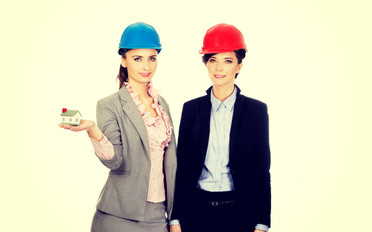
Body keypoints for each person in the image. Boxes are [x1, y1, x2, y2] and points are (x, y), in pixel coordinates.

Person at [59, 22, 177, 232]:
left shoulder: (162, 105)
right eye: (137, 58)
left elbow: (172, 162)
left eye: (152, 58)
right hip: (119, 216)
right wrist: (93, 130)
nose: (146, 66)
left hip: (159, 215)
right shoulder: (109, 105)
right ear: (124, 60)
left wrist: (175, 217)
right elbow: (115, 161)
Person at [170, 23, 271, 232]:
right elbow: (183, 167)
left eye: (228, 60)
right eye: (213, 59)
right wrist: (175, 218)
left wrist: (262, 222)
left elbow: (262, 169)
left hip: (240, 212)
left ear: (239, 65)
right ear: (206, 63)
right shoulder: (191, 109)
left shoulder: (256, 111)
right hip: (196, 211)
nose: (219, 68)